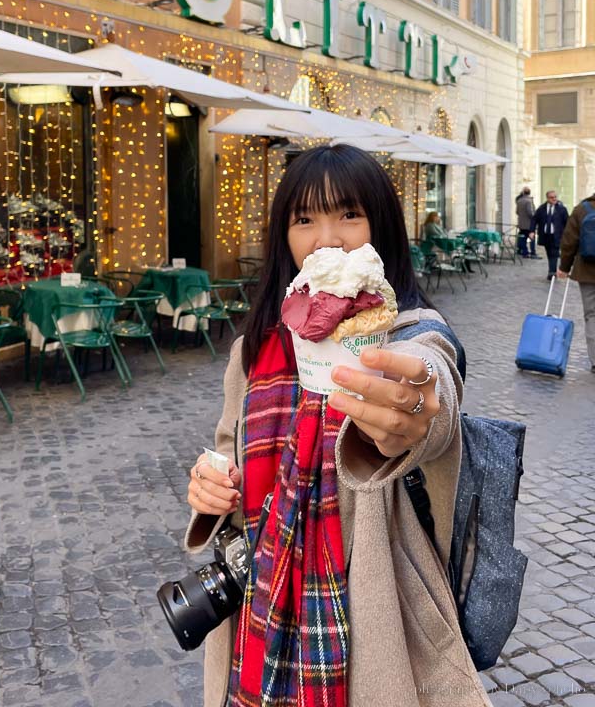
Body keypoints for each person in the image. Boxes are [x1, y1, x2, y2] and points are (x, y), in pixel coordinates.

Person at [185, 145, 490, 707]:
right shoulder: (254, 353)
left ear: (382, 227)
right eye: (305, 219)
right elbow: (228, 456)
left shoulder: (407, 332)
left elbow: (432, 384)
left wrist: (417, 409)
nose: (327, 237)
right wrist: (211, 488)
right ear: (285, 236)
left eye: (349, 214)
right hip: (261, 606)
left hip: (373, 613)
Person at [557, 191, 595, 371]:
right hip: (586, 272)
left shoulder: (582, 209)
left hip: (587, 272)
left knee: (592, 315)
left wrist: (564, 267)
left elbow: (568, 242)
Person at [533, 189, 569, 280]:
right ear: (547, 198)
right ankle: (551, 271)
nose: (554, 199)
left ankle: (552, 273)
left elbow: (567, 222)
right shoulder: (542, 208)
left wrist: (567, 235)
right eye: (551, 197)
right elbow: (534, 219)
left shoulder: (561, 209)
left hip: (556, 235)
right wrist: (531, 231)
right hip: (545, 235)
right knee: (549, 253)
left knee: (554, 253)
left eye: (555, 197)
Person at [515, 187, 536, 258]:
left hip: (521, 223)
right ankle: (533, 252)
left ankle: (524, 252)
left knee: (523, 238)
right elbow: (530, 212)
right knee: (532, 237)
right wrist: (535, 218)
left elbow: (517, 212)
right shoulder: (529, 201)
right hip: (529, 223)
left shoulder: (519, 200)